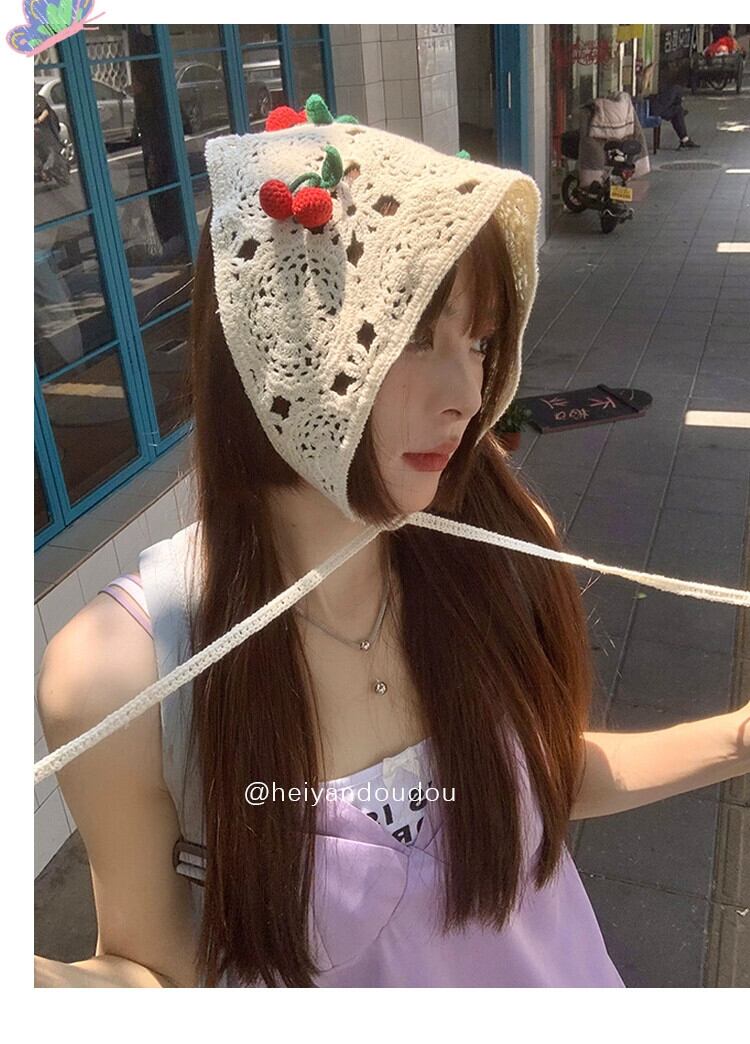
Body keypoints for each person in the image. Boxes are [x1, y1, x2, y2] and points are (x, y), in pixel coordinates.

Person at [35, 95, 750, 988]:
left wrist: (737, 740)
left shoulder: (489, 549)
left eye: (481, 342)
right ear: (281, 347)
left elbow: (540, 778)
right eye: (411, 336)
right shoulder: (124, 672)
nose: (467, 396)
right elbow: (156, 972)